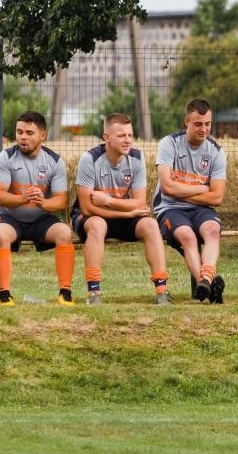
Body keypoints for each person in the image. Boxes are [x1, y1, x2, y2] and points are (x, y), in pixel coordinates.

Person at [74, 112, 171, 305]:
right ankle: (94, 293)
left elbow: (139, 202)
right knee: (98, 225)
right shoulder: (89, 159)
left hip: (122, 214)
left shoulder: (136, 158)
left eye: (130, 135)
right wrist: (127, 210)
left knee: (151, 225)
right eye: (121, 136)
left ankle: (162, 291)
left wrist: (108, 201)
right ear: (106, 137)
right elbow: (86, 208)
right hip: (90, 217)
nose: (127, 141)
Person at [0, 110, 75, 306]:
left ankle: (65, 293)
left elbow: (62, 201)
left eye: (29, 133)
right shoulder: (6, 157)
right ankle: (4, 295)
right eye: (19, 132)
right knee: (1, 236)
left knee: (64, 233)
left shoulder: (54, 161)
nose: (22, 137)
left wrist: (43, 203)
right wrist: (22, 198)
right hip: (8, 217)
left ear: (42, 136)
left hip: (40, 220)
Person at [154, 98, 227, 304]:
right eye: (198, 124)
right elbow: (167, 188)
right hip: (170, 209)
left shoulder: (216, 152)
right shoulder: (169, 144)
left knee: (212, 231)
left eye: (207, 124)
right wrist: (203, 188)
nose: (204, 129)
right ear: (186, 121)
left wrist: (180, 190)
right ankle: (208, 283)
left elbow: (217, 197)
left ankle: (205, 281)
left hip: (202, 209)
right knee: (188, 236)